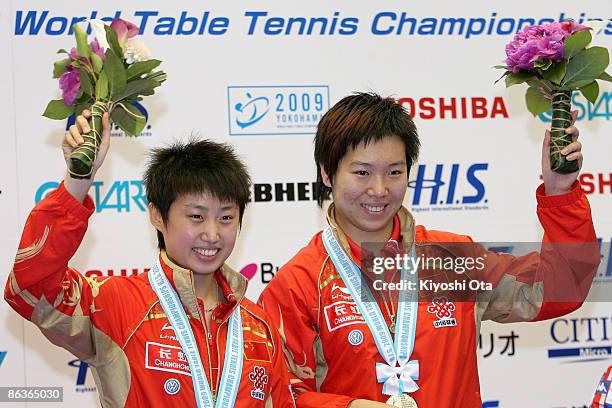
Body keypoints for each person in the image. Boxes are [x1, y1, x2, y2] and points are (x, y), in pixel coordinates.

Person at [258, 92, 599, 407]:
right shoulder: (297, 284)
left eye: (394, 172)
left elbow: (560, 287)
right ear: (327, 173)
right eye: (362, 172)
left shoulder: (455, 259)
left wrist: (560, 192)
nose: (379, 190)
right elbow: (278, 394)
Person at [4, 110, 294, 407]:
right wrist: (77, 181)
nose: (212, 233)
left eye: (226, 217)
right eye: (196, 216)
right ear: (157, 215)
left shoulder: (259, 327)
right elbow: (31, 288)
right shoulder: (116, 304)